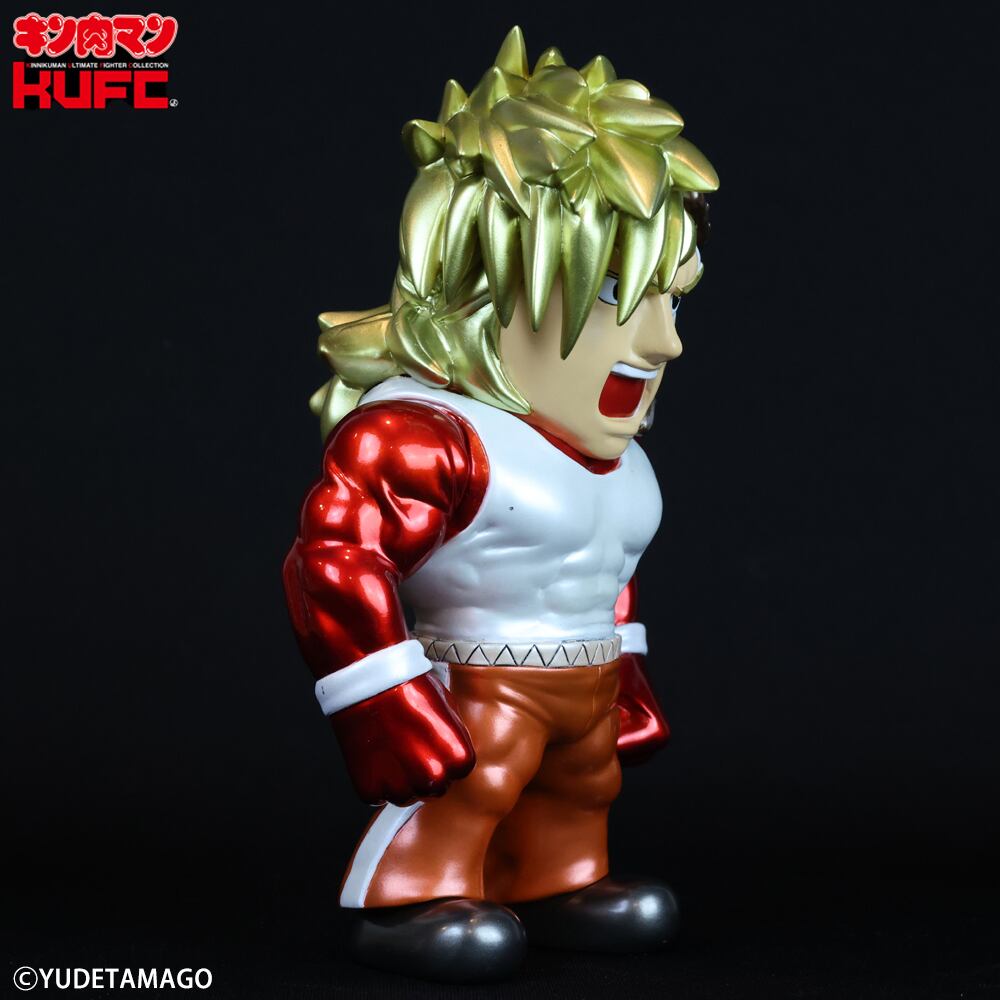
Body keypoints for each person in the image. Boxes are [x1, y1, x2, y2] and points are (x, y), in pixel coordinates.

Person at [283, 26, 718, 983]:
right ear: (485, 295)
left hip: (583, 683)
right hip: (479, 680)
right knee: (471, 785)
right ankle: (411, 898)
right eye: (615, 292)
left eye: (673, 300)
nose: (664, 342)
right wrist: (383, 703)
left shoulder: (617, 462)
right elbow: (336, 561)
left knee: (581, 789)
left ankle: (556, 880)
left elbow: (610, 573)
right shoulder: (431, 435)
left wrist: (627, 677)